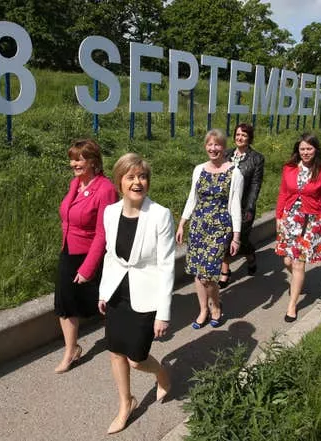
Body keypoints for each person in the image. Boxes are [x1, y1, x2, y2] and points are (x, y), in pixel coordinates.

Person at [98, 153, 175, 435]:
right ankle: (125, 403)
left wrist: (163, 314)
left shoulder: (160, 215)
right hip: (118, 291)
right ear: (120, 181)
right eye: (130, 177)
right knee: (115, 351)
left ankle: (161, 372)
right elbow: (110, 256)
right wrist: (104, 292)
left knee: (136, 358)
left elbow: (167, 266)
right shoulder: (110, 212)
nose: (137, 182)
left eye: (142, 176)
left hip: (147, 294)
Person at [54, 139, 117, 373]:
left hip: (93, 255)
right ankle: (71, 350)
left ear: (93, 161)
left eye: (79, 159)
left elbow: (103, 233)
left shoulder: (106, 189)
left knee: (106, 303)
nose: (74, 163)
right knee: (64, 302)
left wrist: (87, 268)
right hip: (69, 250)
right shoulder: (75, 184)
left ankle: (120, 343)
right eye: (72, 158)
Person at [176, 129, 244, 329]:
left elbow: (235, 205)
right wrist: (182, 223)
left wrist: (236, 237)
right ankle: (203, 309)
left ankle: (215, 306)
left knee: (208, 274)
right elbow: (192, 197)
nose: (213, 149)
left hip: (220, 228)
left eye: (217, 145)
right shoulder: (199, 169)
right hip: (198, 225)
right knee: (198, 272)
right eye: (210, 145)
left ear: (224, 147)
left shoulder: (235, 172)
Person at [274, 133, 321, 322]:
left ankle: (292, 305)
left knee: (298, 263)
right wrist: (278, 216)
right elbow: (283, 193)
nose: (306, 152)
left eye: (309, 148)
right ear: (298, 150)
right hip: (290, 220)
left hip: (310, 222)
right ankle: (298, 281)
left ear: (316, 150)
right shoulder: (289, 168)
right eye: (302, 149)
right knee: (287, 261)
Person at [219, 123, 265, 288]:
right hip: (225, 205)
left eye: (244, 135)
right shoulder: (226, 154)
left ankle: (251, 256)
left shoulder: (257, 159)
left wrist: (250, 208)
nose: (240, 138)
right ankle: (225, 271)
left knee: (242, 240)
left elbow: (255, 186)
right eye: (238, 134)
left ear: (249, 138)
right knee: (225, 238)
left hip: (244, 206)